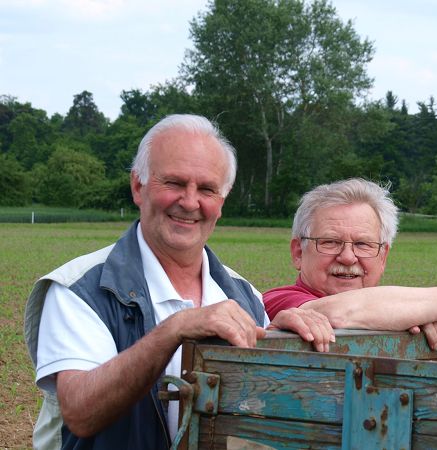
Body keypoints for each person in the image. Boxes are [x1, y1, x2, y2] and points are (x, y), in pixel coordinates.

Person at [23, 114, 321, 450]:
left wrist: (281, 343)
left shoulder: (244, 294)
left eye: (206, 189)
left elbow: (263, 411)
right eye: (175, 183)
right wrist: (174, 330)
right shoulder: (80, 289)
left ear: (221, 202)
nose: (190, 202)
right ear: (138, 186)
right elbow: (81, 413)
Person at [263, 178, 437, 366]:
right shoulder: (277, 301)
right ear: (298, 252)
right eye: (329, 242)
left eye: (363, 244)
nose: (348, 257)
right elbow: (340, 313)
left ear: (383, 257)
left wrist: (433, 311)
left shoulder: (392, 304)